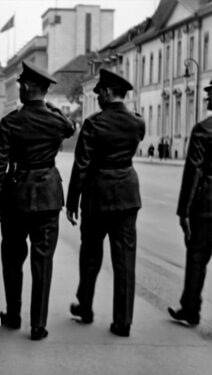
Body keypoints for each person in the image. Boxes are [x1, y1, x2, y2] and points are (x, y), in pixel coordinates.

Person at [0, 61, 75, 341]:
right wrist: (49, 107)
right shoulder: (55, 121)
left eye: (21, 85)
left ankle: (13, 315)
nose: (19, 89)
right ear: (44, 92)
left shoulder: (11, 122)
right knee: (43, 261)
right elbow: (70, 127)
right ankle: (38, 324)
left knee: (12, 259)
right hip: (48, 197)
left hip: (16, 198)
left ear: (26, 87)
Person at [66, 68, 145, 337]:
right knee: (125, 259)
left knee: (90, 255)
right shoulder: (137, 123)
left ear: (109, 92)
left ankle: (85, 307)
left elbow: (82, 165)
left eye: (100, 91)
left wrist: (72, 201)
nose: (97, 95)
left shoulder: (93, 123)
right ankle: (123, 321)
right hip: (126, 195)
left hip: (97, 197)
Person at [168, 79, 212, 326]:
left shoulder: (203, 129)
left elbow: (193, 172)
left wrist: (183, 211)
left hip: (206, 205)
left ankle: (191, 308)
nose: (208, 99)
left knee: (197, 257)